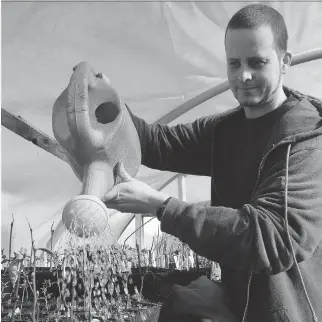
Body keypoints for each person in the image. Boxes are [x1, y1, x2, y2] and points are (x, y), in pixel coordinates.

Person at [103, 4, 322, 322]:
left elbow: (272, 239)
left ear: (285, 62)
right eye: (234, 63)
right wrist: (112, 111)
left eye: (257, 62)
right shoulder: (225, 131)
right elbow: (158, 144)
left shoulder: (304, 139)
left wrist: (162, 207)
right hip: (240, 302)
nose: (243, 75)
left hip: (286, 312)